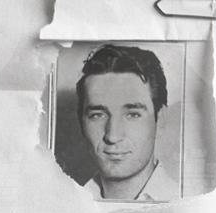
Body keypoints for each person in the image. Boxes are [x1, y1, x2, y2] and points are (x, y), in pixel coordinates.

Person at [75, 44, 178, 201]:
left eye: (132, 115)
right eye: (98, 115)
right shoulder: (66, 204)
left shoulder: (189, 205)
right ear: (81, 122)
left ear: (160, 120)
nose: (113, 136)